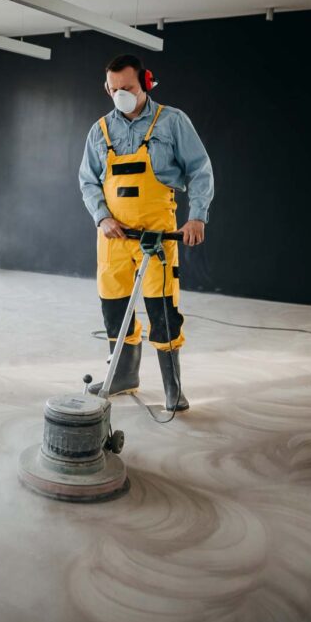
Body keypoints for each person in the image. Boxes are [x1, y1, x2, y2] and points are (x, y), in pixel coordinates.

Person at [78, 54, 214, 411]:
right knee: (114, 307)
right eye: (115, 89)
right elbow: (88, 181)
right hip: (114, 238)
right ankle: (124, 377)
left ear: (146, 83)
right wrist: (102, 218)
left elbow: (200, 170)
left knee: (163, 308)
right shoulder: (100, 130)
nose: (121, 94)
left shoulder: (171, 122)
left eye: (129, 88)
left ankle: (173, 386)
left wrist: (197, 216)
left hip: (157, 234)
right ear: (106, 87)